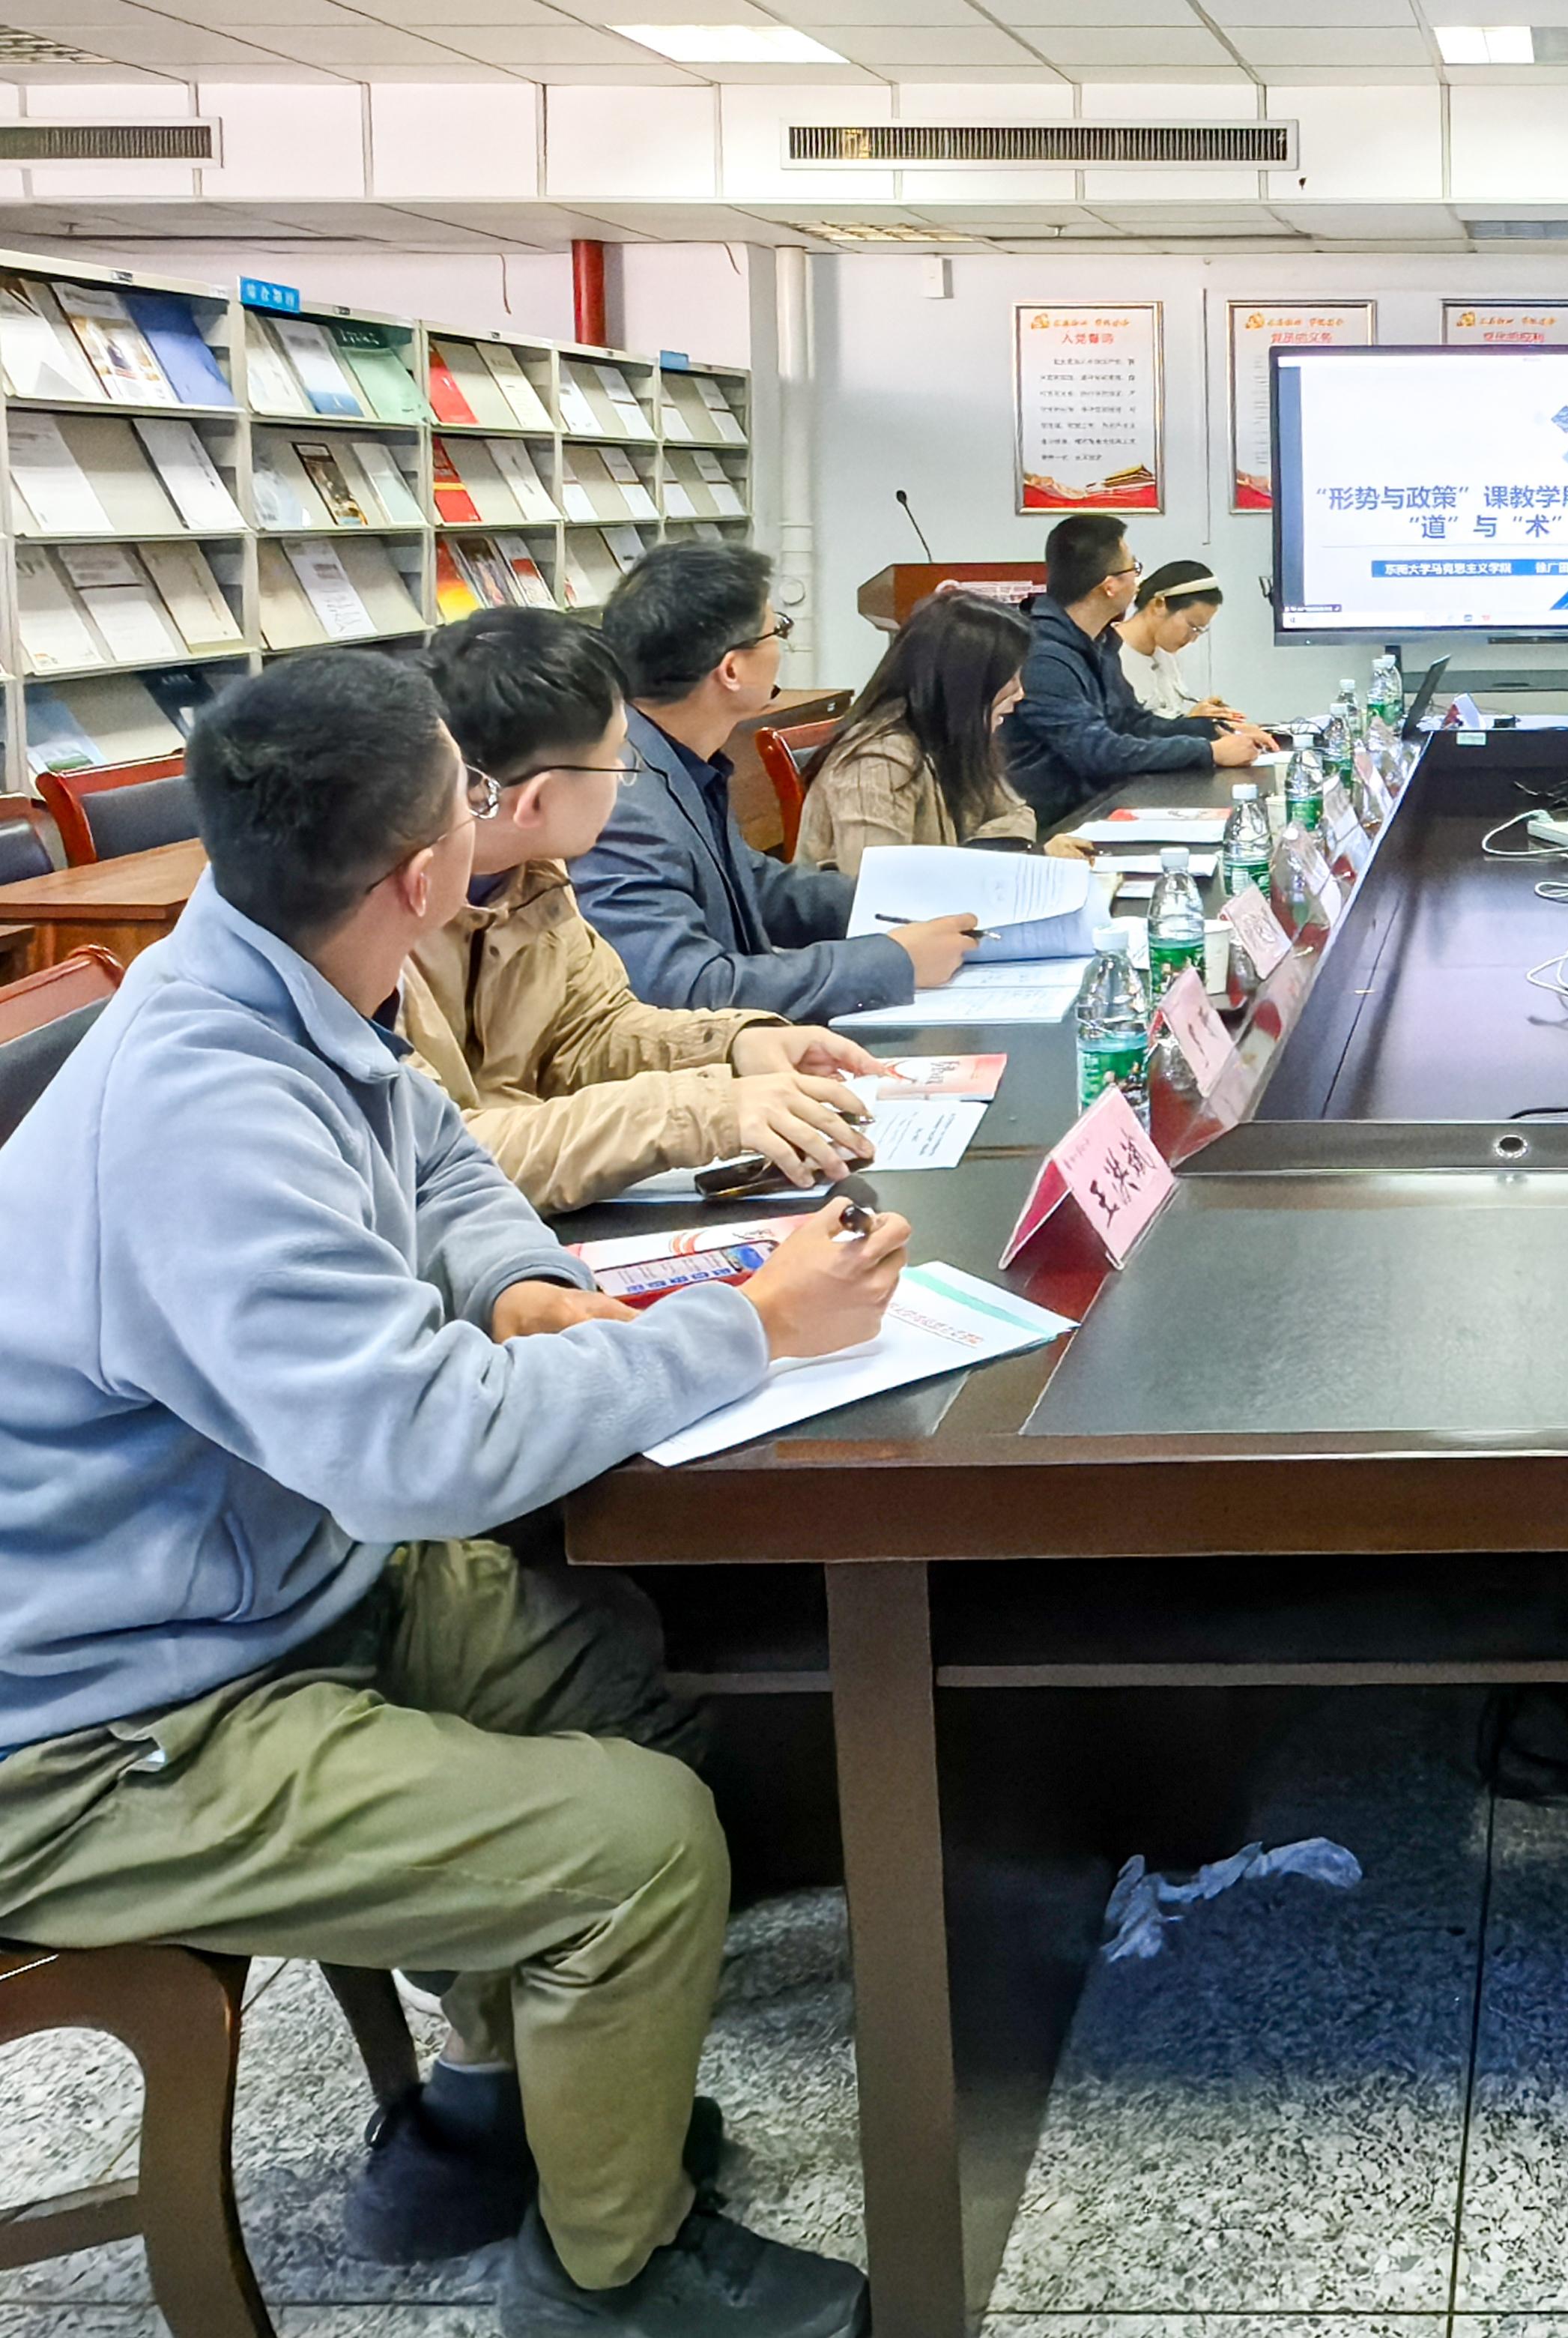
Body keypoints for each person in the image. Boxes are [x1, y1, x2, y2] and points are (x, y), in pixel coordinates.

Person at [0, 649, 907, 2336]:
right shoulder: (201, 1116)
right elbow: (425, 1452)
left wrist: (524, 1289)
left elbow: (439, 1160)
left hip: (265, 1583)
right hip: (99, 1725)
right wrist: (750, 1328)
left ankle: (491, 2117)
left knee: (603, 1657)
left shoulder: (274, 977)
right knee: (637, 1848)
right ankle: (608, 2274)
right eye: (468, 797)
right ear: (426, 875)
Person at [405, 608, 891, 1213]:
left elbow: (588, 1032)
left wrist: (734, 1046)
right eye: (616, 759)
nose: (624, 778)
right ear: (537, 802)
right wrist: (704, 1110)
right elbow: (438, 1159)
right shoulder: (380, 919)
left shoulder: (533, 873)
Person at [572, 541, 981, 1021]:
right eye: (777, 631)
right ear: (731, 669)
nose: (781, 647)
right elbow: (687, 987)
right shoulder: (621, 798)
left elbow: (754, 884)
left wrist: (911, 902)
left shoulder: (675, 758)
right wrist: (893, 962)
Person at [1000, 514, 1265, 830]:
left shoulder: (1098, 643)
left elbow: (1132, 723)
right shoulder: (1044, 657)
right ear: (1110, 586)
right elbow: (1098, 752)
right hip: (1056, 825)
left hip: (1100, 806)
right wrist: (1207, 752)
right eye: (1134, 569)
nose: (1139, 582)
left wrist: (1215, 730)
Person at [793, 593, 1087, 874]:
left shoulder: (955, 740)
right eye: (1009, 678)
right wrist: (998, 859)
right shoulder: (877, 761)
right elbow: (879, 885)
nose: (1020, 693)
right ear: (966, 683)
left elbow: (1017, 815)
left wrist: (991, 857)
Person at [1110, 558, 1238, 723]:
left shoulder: (1165, 655)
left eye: (1200, 631)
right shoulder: (1108, 655)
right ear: (1159, 604)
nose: (1192, 639)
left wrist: (1206, 716)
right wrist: (1190, 723)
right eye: (1192, 626)